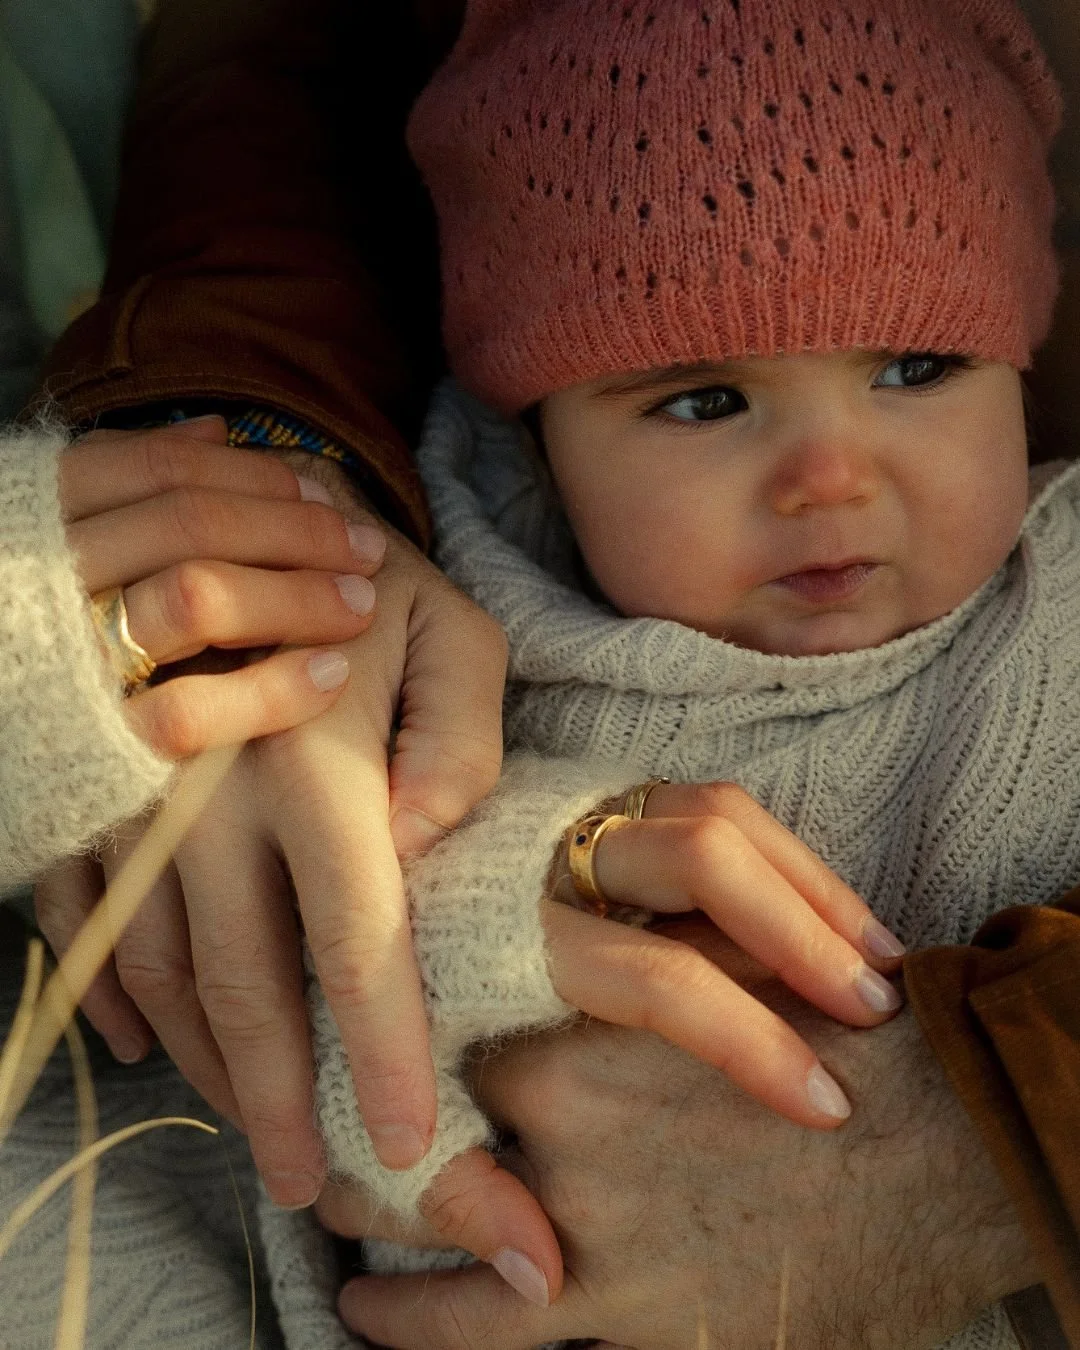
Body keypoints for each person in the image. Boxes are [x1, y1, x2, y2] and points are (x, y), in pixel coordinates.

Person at [9, 1, 1078, 1348]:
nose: (831, 477)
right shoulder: (453, 597)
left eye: (918, 366)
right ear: (540, 444)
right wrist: (431, 937)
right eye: (702, 400)